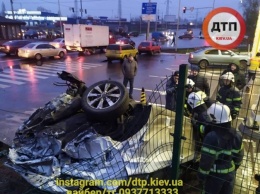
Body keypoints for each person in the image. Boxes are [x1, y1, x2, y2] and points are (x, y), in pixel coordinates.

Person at [198, 102, 244, 194]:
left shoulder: (211, 137)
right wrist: (234, 167)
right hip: (230, 174)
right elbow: (239, 156)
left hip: (214, 176)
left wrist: (201, 176)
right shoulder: (237, 134)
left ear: (214, 118)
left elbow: (206, 161)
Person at [187, 91, 212, 161]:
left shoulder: (203, 115)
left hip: (207, 144)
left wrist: (196, 124)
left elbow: (206, 129)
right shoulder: (202, 109)